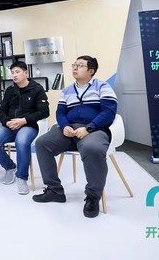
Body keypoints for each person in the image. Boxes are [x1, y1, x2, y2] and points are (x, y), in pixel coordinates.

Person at [33, 55, 117, 218]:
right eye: (74, 65)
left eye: (80, 65)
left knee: (92, 148)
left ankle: (93, 197)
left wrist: (89, 128)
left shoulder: (103, 86)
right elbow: (60, 112)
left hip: (94, 129)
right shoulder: (67, 90)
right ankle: (54, 190)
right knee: (42, 143)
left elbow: (109, 112)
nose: (75, 68)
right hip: (69, 130)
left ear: (91, 71)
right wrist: (65, 126)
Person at [0, 61, 49, 195]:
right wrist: (6, 122)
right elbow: (2, 110)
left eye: (17, 72)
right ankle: (10, 167)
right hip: (10, 126)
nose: (14, 75)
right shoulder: (10, 90)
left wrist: (24, 120)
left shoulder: (37, 89)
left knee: (21, 142)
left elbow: (44, 112)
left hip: (28, 126)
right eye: (12, 73)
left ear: (26, 73)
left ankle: (21, 177)